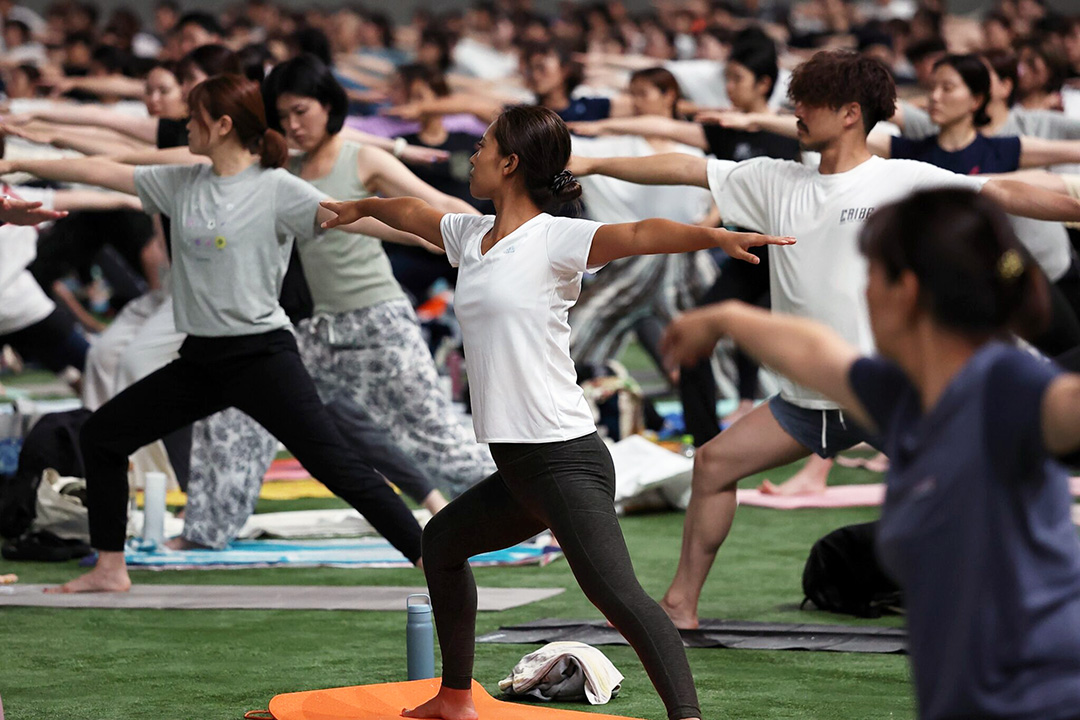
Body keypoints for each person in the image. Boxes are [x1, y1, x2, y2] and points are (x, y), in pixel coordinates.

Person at [571, 49, 1080, 630]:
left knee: (965, 493)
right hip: (802, 399)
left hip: (880, 393)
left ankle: (1015, 604)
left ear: (850, 113)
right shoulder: (774, 180)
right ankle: (679, 605)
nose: (796, 111)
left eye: (809, 102)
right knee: (713, 464)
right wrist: (591, 161)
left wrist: (1075, 209)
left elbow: (1003, 193)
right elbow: (686, 167)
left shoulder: (903, 178)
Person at [320, 104, 796, 720]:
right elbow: (414, 214)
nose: (473, 155)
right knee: (441, 543)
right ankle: (456, 698)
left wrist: (715, 237)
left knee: (618, 597)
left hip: (563, 460)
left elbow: (640, 234)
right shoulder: (472, 237)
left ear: (510, 164)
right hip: (521, 470)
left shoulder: (554, 239)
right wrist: (362, 206)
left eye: (484, 145)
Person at [660, 187, 1080, 720]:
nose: (863, 293)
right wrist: (723, 319)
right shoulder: (902, 395)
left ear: (906, 291)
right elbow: (816, 353)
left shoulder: (1006, 386)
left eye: (871, 276)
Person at [0, 74, 426, 593]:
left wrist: (444, 236)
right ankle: (110, 567)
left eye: (193, 118)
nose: (184, 126)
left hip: (262, 357)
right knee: (102, 436)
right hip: (200, 360)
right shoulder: (182, 183)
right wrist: (17, 164)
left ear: (223, 125)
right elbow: (103, 170)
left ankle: (432, 561)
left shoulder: (277, 188)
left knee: (337, 467)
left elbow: (360, 218)